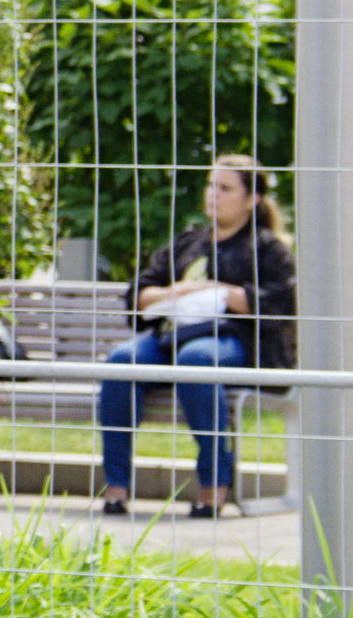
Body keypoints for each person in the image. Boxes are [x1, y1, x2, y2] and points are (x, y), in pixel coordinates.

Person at [97, 155, 295, 519]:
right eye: (210, 185)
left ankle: (214, 485)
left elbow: (277, 304)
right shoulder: (187, 243)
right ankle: (116, 486)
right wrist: (175, 292)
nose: (212, 194)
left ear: (252, 199)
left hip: (234, 342)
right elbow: (139, 295)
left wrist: (215, 289)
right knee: (121, 361)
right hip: (169, 338)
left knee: (196, 361)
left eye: (225, 188)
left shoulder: (268, 248)